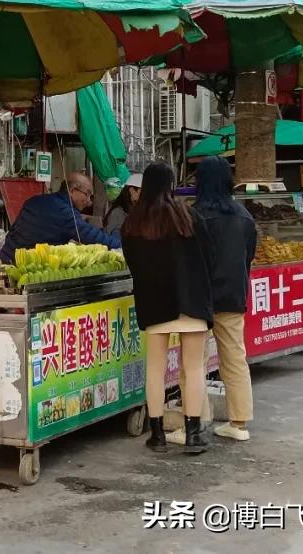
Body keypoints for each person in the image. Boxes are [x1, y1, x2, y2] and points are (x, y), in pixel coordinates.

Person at [121, 161, 213, 455]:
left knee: (155, 369)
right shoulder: (189, 216)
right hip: (191, 302)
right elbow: (208, 255)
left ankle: (158, 435)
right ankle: (193, 434)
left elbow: (133, 264)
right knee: (194, 368)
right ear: (171, 185)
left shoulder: (133, 223)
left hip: (154, 303)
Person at [167, 156, 257, 445]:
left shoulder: (193, 216)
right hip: (233, 296)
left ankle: (195, 422)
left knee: (193, 363)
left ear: (200, 182)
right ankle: (239, 423)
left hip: (198, 299)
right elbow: (249, 256)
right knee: (235, 359)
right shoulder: (244, 216)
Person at [0, 172, 121, 263]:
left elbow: (14, 232)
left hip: (4, 259)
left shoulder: (34, 201)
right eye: (87, 194)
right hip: (24, 267)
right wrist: (122, 244)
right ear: (72, 190)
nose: (89, 201)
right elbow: (92, 236)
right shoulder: (65, 212)